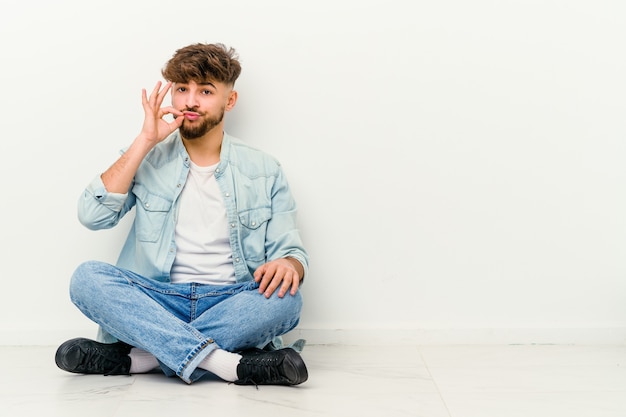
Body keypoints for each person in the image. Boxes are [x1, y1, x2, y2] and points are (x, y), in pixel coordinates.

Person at [54, 43, 309, 386]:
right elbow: (92, 215)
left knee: (287, 300)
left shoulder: (264, 169)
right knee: (86, 278)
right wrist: (145, 141)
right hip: (157, 301)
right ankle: (229, 365)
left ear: (229, 101)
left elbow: (290, 251)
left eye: (205, 90)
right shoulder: (148, 155)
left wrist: (289, 265)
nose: (190, 101)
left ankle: (141, 359)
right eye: (181, 89)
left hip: (228, 301)